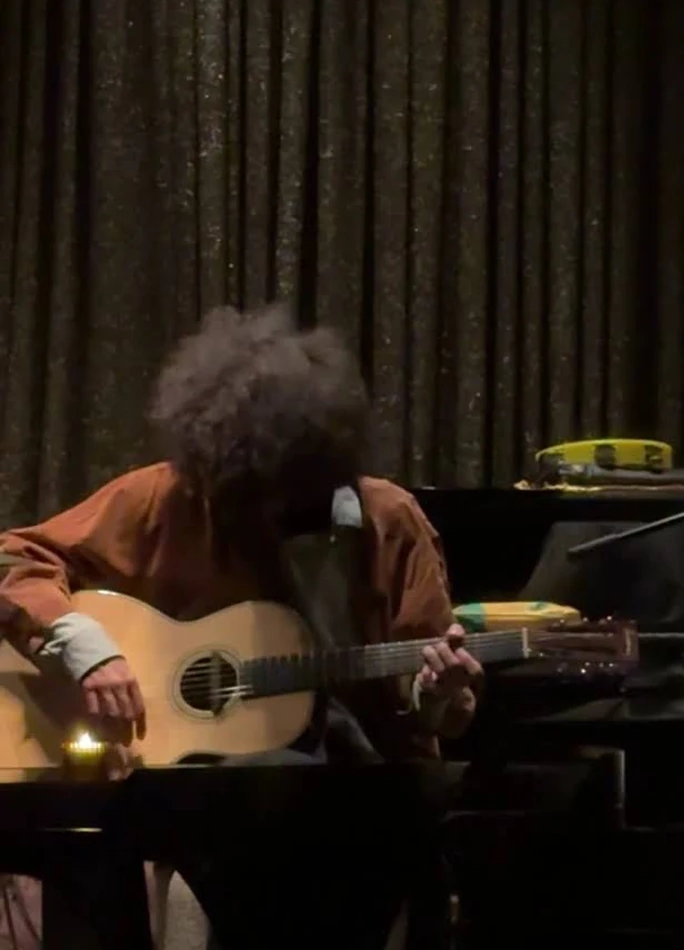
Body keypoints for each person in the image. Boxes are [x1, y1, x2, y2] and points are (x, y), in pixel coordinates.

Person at [0, 302, 481, 761]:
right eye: (247, 495)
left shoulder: (389, 522)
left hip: (357, 772)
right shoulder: (171, 495)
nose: (267, 512)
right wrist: (87, 650)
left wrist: (436, 694)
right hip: (187, 777)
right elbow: (15, 557)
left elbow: (442, 707)